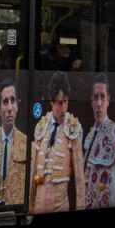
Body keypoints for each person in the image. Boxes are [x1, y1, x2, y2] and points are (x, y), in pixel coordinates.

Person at [31, 71, 84, 213]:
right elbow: (33, 172)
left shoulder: (73, 128)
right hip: (38, 208)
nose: (64, 108)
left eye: (66, 102)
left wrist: (81, 209)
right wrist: (30, 206)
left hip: (60, 208)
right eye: (60, 103)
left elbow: (79, 177)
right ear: (51, 101)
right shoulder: (41, 127)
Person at [82, 72, 115, 209]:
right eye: (96, 97)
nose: (99, 103)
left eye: (103, 97)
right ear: (91, 102)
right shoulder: (90, 136)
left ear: (108, 101)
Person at [0, 77, 27, 207]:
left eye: (13, 101)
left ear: (17, 106)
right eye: (5, 102)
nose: (10, 107)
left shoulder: (27, 145)